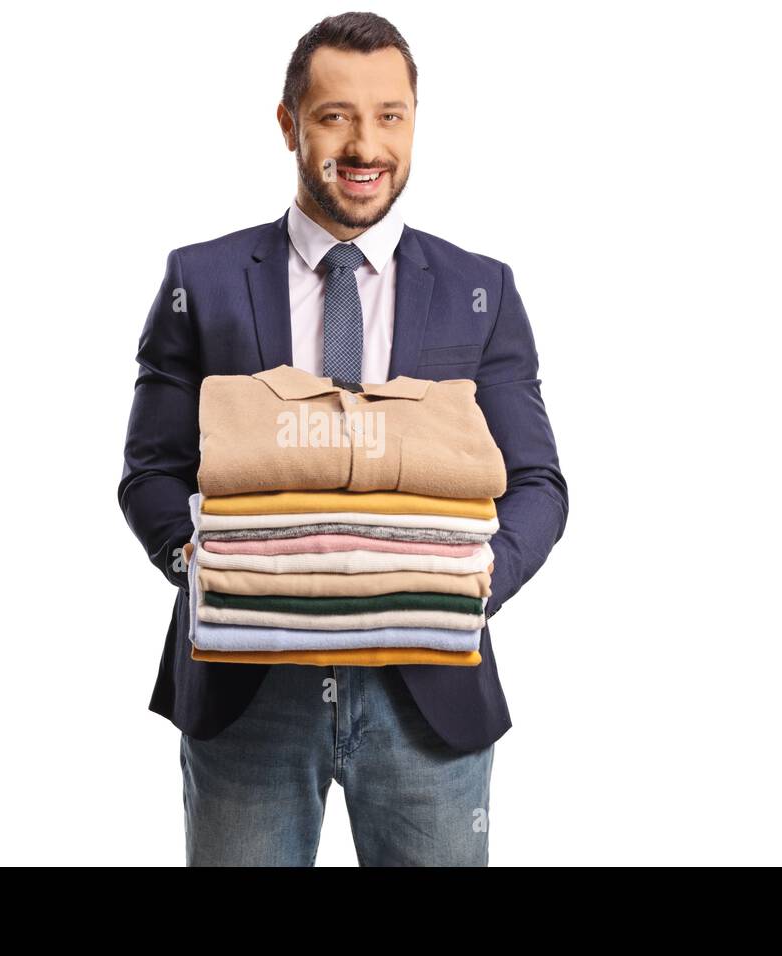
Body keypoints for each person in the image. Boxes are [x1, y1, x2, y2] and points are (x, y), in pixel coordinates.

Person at [118, 12, 567, 866]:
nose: (366, 144)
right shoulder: (201, 282)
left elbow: (538, 481)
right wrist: (213, 570)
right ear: (289, 123)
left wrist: (475, 581)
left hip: (430, 692)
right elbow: (151, 472)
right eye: (335, 116)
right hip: (248, 692)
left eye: (390, 115)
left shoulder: (482, 290)